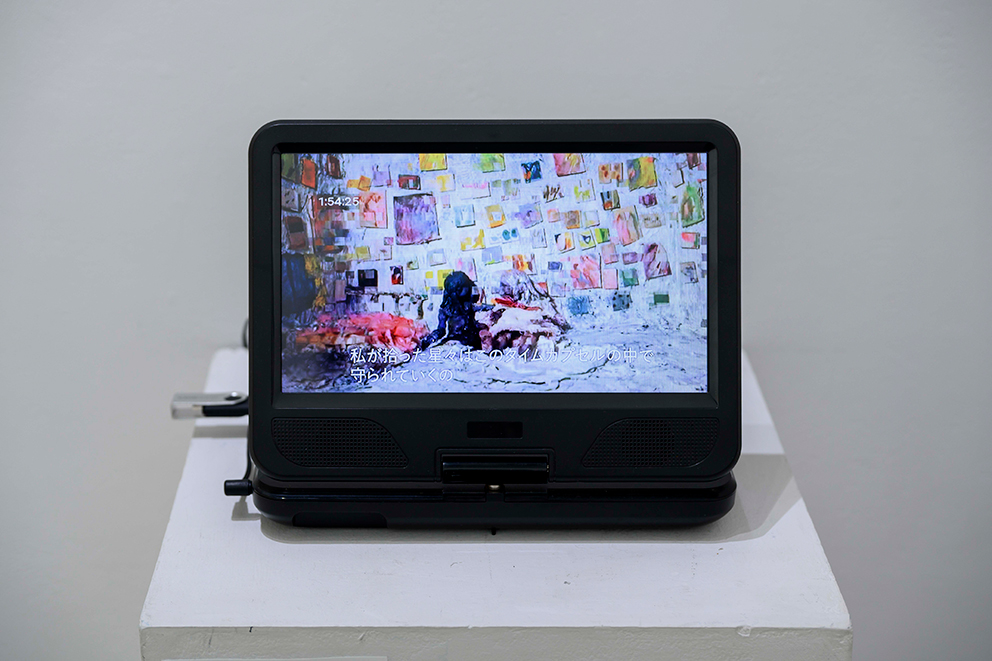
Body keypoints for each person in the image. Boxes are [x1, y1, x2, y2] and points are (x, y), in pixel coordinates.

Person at [421, 271, 491, 350]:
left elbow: (483, 307)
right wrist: (428, 341)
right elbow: (441, 330)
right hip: (457, 341)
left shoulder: (468, 304)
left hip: (472, 339)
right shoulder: (446, 309)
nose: (469, 289)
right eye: (466, 286)